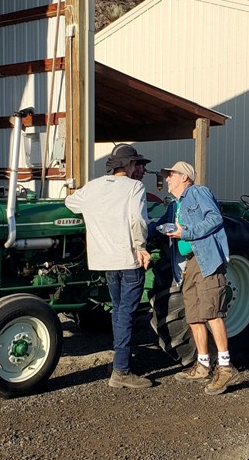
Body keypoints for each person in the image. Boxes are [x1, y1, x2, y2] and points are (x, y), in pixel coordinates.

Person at [65, 144, 152, 389]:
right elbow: (137, 220)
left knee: (117, 309)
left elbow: (71, 203)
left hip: (104, 260)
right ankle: (121, 370)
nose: (138, 168)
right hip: (128, 258)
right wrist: (141, 246)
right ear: (127, 165)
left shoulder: (92, 187)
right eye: (136, 163)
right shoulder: (135, 187)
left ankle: (121, 360)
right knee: (126, 312)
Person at [154, 161, 239, 395]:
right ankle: (203, 365)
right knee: (193, 314)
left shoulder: (198, 193)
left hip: (207, 259)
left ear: (184, 177)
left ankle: (224, 366)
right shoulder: (175, 206)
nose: (167, 179)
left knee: (212, 312)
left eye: (170, 175)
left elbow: (215, 219)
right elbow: (160, 225)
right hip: (190, 263)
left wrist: (186, 232)